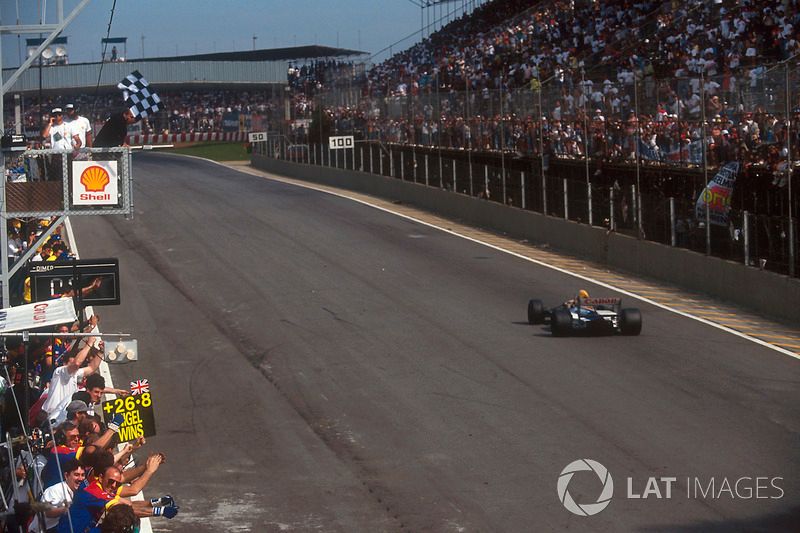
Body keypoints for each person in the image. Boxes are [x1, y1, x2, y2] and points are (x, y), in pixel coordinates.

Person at [32, 458, 85, 533]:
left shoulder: (81, 492)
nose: (80, 478)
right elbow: (47, 512)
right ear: (66, 475)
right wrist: (66, 509)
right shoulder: (55, 490)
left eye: (82, 475)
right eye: (76, 475)